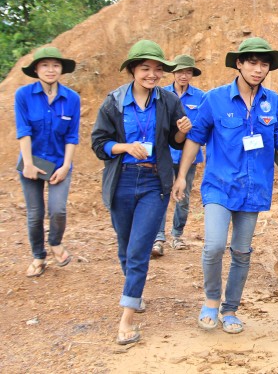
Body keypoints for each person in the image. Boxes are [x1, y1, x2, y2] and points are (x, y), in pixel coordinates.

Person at [171, 37, 278, 335]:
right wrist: (181, 177)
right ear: (239, 64)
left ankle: (231, 309)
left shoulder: (273, 102)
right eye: (252, 62)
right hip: (219, 185)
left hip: (254, 187)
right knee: (214, 246)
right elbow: (195, 138)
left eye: (264, 64)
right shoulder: (214, 99)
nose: (258, 69)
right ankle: (211, 301)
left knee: (241, 251)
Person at [91, 40, 192, 345]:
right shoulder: (113, 102)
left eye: (158, 69)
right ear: (133, 69)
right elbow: (99, 144)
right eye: (146, 68)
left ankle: (126, 319)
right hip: (121, 179)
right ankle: (133, 291)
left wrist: (181, 131)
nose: (152, 74)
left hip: (153, 183)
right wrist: (123, 147)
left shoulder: (168, 100)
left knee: (138, 250)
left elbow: (175, 142)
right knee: (124, 246)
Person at [15, 47, 81, 278]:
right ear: (36, 69)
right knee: (35, 213)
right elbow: (23, 131)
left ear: (61, 69)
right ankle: (38, 256)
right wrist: (29, 165)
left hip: (59, 163)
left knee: (58, 209)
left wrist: (65, 166)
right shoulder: (23, 95)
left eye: (55, 65)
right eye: (45, 65)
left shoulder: (72, 98)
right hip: (31, 161)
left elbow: (72, 135)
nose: (50, 70)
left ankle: (55, 243)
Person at [152, 54, 206, 256]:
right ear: (173, 73)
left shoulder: (201, 97)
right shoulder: (161, 94)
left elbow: (203, 125)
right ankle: (158, 238)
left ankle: (177, 235)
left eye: (188, 72)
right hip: (164, 153)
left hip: (189, 155)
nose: (184, 75)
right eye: (180, 71)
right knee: (160, 194)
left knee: (182, 196)